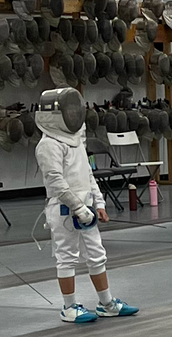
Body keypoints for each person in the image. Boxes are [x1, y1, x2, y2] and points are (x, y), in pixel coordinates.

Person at [34, 88, 135, 324]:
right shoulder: (48, 144)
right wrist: (77, 207)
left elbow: (87, 174)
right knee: (66, 257)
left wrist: (98, 202)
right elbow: (56, 181)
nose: (73, 114)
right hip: (63, 210)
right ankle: (69, 308)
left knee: (97, 255)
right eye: (67, 110)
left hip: (86, 209)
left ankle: (107, 303)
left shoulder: (76, 138)